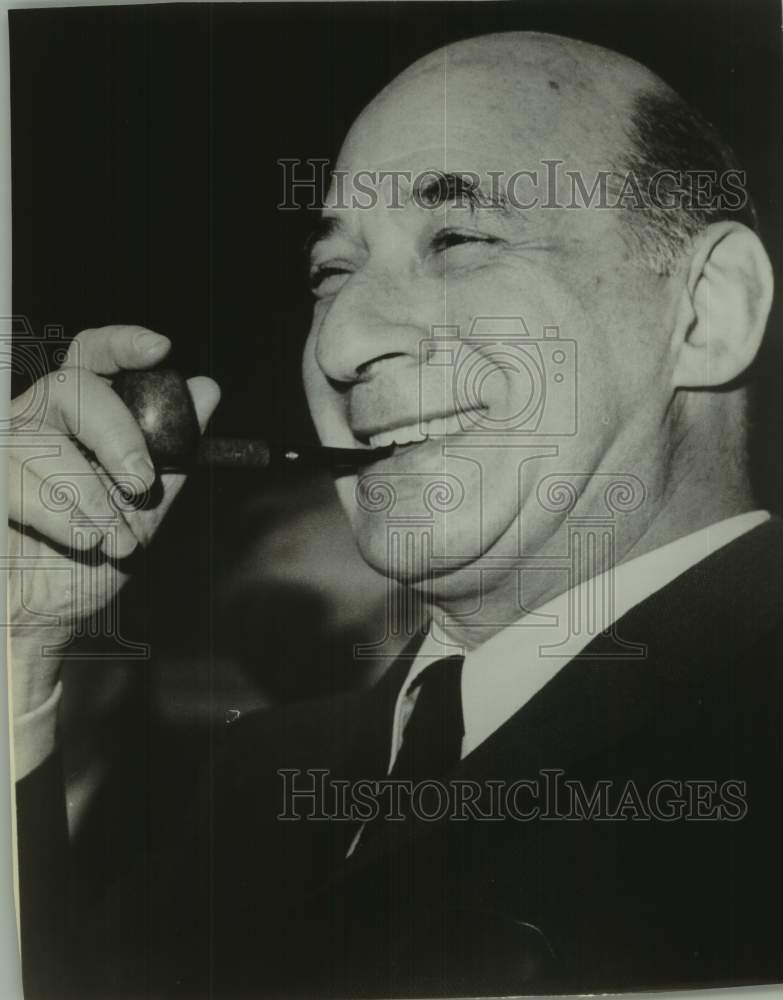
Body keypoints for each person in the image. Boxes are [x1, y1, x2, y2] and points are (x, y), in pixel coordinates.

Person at [8, 30, 783, 997]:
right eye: (329, 273)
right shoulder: (250, 781)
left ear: (707, 312)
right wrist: (21, 654)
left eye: (458, 241)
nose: (340, 341)